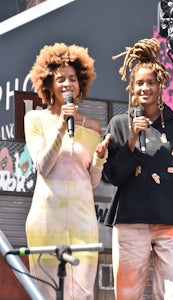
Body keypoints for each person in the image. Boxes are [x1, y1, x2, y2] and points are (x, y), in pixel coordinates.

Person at [103, 38, 173, 300]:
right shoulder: (119, 124)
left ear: (160, 85)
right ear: (131, 88)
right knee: (127, 294)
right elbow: (111, 175)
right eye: (139, 83)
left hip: (170, 221)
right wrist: (132, 142)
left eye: (150, 82)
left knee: (172, 294)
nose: (145, 88)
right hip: (131, 220)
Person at [24, 42, 110, 300]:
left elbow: (92, 181)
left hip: (83, 220)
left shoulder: (93, 127)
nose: (67, 84)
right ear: (48, 84)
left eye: (72, 79)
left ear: (80, 83)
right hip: (47, 219)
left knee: (82, 292)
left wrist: (99, 159)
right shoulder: (36, 119)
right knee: (46, 292)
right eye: (60, 79)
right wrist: (61, 126)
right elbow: (43, 166)